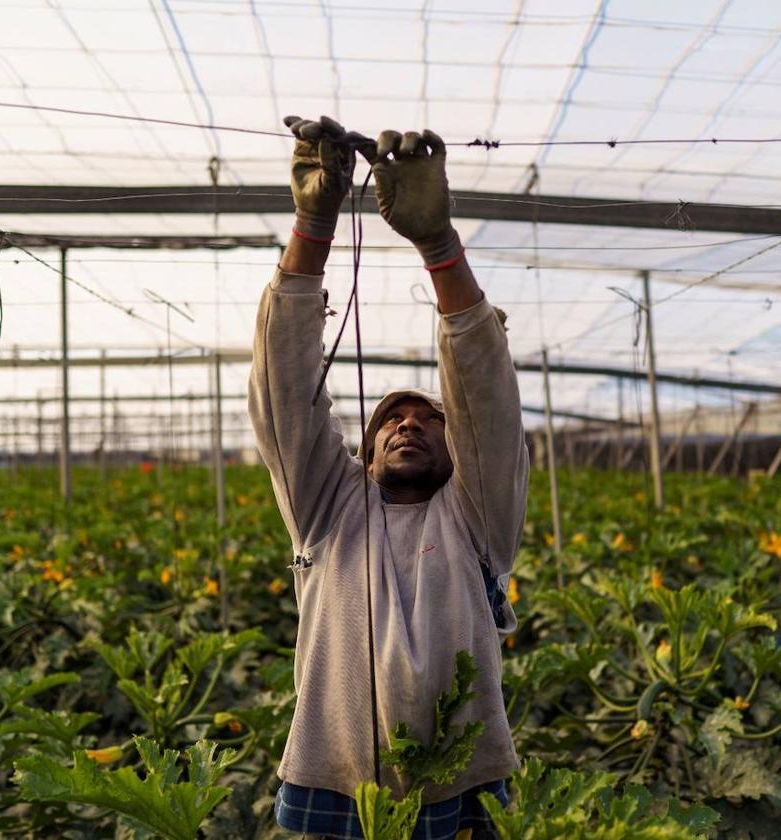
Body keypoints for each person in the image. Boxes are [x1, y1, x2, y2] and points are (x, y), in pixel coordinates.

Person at [249, 115, 528, 840]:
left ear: (453, 445)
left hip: (463, 777)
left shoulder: (477, 516)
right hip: (331, 777)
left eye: (427, 419)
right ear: (363, 455)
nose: (407, 424)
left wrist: (439, 244)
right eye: (390, 421)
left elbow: (487, 397)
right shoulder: (326, 508)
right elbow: (284, 390)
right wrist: (313, 224)